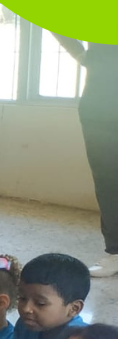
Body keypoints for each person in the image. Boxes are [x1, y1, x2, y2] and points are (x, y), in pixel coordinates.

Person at [52, 35, 118, 278]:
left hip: (98, 106)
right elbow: (54, 17)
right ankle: (115, 253)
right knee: (108, 182)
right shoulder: (99, 5)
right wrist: (80, 53)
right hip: (100, 108)